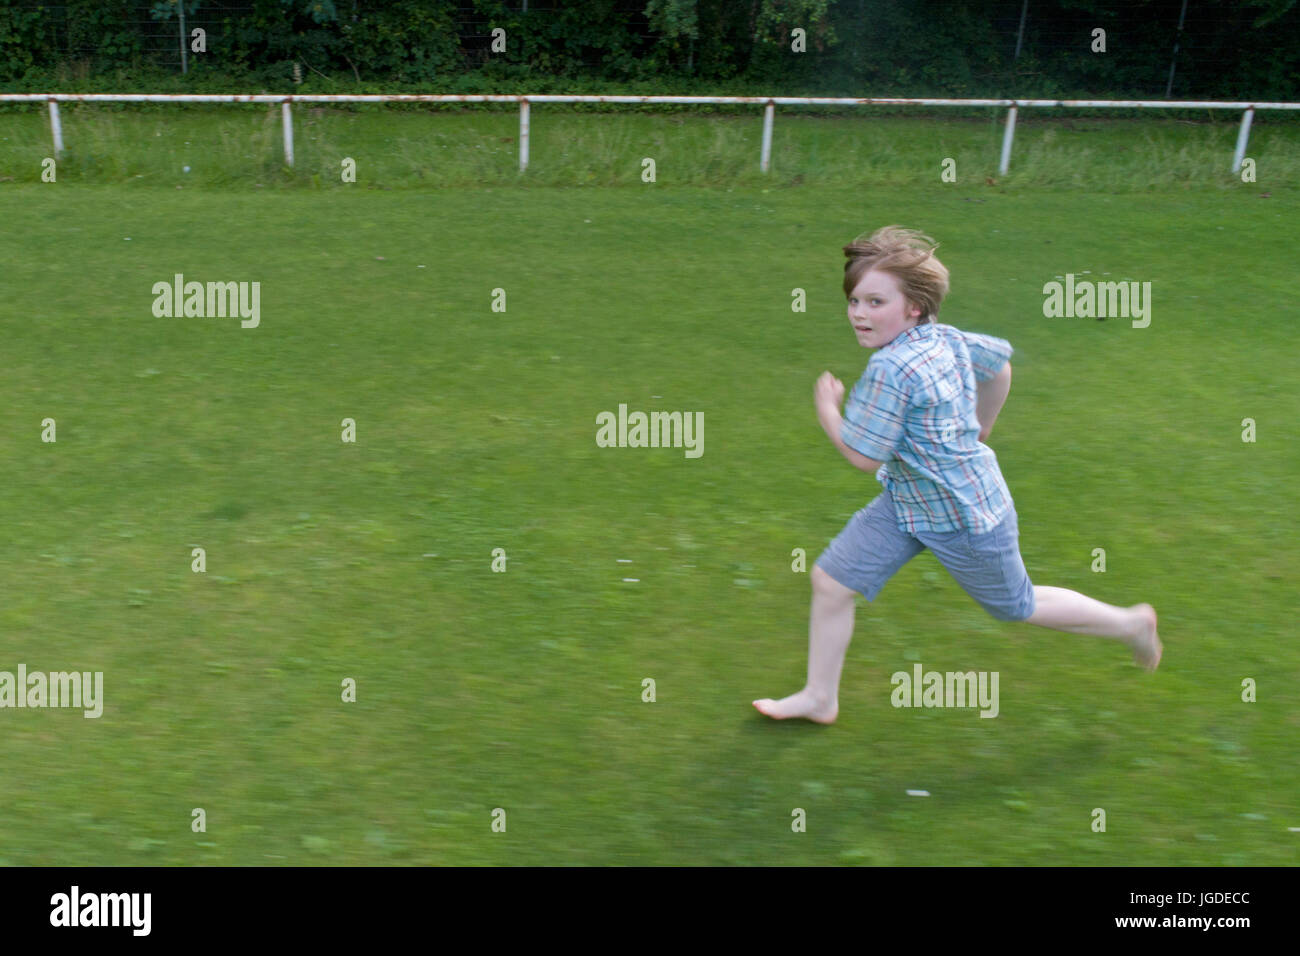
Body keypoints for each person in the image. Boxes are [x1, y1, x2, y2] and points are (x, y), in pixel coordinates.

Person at [753, 226, 1161, 724]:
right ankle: (820, 698)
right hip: (907, 503)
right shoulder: (944, 338)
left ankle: (1131, 624)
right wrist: (983, 426)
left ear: (914, 308)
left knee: (1018, 605)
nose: (859, 313)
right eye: (854, 300)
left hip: (965, 517)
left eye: (875, 301)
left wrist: (827, 410)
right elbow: (1000, 366)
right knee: (832, 581)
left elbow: (862, 455)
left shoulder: (889, 370)